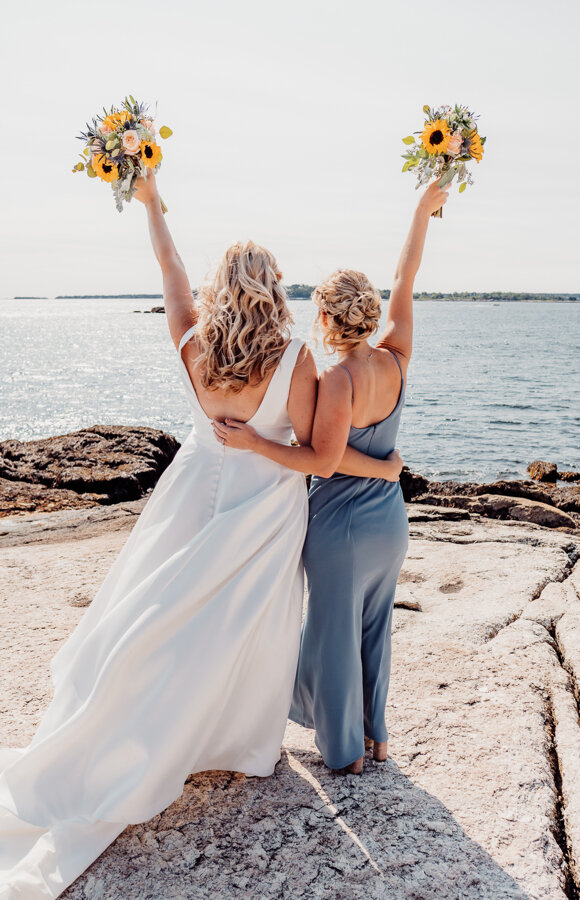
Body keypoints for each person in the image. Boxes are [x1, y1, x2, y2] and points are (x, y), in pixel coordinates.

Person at [0, 171, 402, 899]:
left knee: (161, 614)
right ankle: (233, 743)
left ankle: (144, 726)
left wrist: (151, 202)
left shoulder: (191, 343)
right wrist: (381, 471)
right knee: (247, 624)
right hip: (267, 507)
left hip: (190, 495)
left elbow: (170, 270)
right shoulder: (297, 360)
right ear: (274, 291)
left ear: (224, 290)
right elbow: (318, 454)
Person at [213, 178, 449, 775]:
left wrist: (256, 443)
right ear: (367, 309)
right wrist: (422, 211)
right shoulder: (396, 355)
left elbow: (322, 458)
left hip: (341, 523)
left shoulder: (337, 380)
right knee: (374, 628)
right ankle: (378, 739)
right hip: (390, 524)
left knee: (332, 633)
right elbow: (408, 274)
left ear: (324, 316)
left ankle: (345, 754)